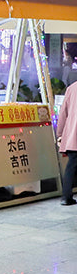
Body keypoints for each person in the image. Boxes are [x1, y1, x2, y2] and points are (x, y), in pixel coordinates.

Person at [58, 77, 77, 205]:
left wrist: (59, 134)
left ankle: (66, 196)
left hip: (72, 136)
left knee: (71, 165)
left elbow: (63, 113)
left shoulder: (71, 88)